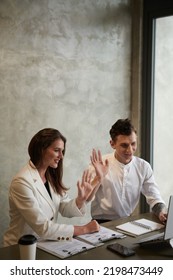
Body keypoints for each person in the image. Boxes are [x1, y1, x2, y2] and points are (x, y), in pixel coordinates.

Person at [3, 128, 108, 246]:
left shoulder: (51, 177)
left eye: (62, 151)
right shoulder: (21, 182)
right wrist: (84, 229)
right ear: (41, 149)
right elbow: (43, 227)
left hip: (45, 245)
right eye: (57, 150)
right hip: (19, 249)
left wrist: (81, 199)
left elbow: (65, 209)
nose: (61, 156)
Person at [90, 118, 167, 224]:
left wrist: (162, 212)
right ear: (112, 144)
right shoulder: (99, 165)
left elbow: (154, 197)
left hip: (127, 222)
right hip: (101, 223)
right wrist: (98, 178)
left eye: (133, 144)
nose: (130, 150)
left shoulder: (143, 167)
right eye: (124, 145)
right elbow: (86, 198)